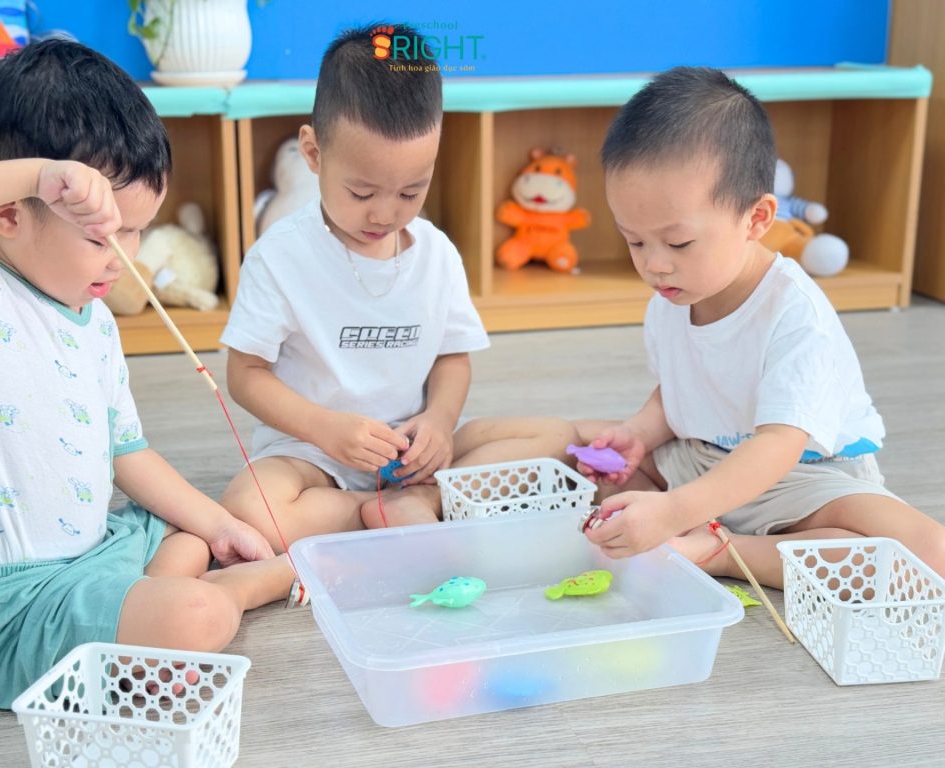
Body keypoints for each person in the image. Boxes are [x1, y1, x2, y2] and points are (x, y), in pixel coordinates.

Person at [0, 40, 294, 710]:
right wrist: (35, 174)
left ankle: (149, 625)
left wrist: (218, 527)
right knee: (197, 614)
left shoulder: (94, 321)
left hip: (95, 560)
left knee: (183, 529)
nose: (124, 258)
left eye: (137, 231)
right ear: (7, 210)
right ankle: (232, 594)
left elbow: (127, 453)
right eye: (102, 236)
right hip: (7, 613)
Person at [576, 66, 945, 587]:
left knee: (928, 554)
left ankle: (723, 552)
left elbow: (779, 444)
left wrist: (676, 509)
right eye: (634, 241)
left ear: (756, 219)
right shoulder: (674, 293)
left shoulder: (796, 314)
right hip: (706, 459)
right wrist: (639, 432)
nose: (654, 264)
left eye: (678, 243)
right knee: (599, 471)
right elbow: (681, 387)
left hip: (805, 476)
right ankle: (703, 531)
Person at [220, 24, 503, 545]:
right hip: (312, 453)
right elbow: (245, 375)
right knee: (251, 508)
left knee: (538, 437)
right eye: (362, 192)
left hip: (411, 453)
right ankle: (387, 510)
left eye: (410, 192)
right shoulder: (280, 257)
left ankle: (411, 499)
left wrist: (439, 422)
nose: (385, 214)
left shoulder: (437, 254)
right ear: (313, 153)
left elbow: (453, 357)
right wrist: (325, 428)